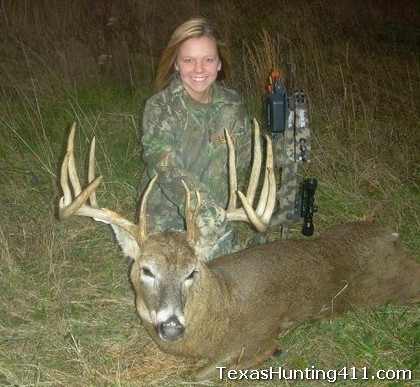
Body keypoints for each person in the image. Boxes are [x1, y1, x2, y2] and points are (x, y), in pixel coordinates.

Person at [138, 17, 252, 260]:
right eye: (188, 60)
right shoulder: (161, 108)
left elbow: (242, 161)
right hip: (167, 220)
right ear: (176, 64)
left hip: (216, 219)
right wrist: (201, 207)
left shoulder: (232, 106)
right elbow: (164, 167)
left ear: (219, 64)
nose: (199, 70)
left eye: (208, 60)